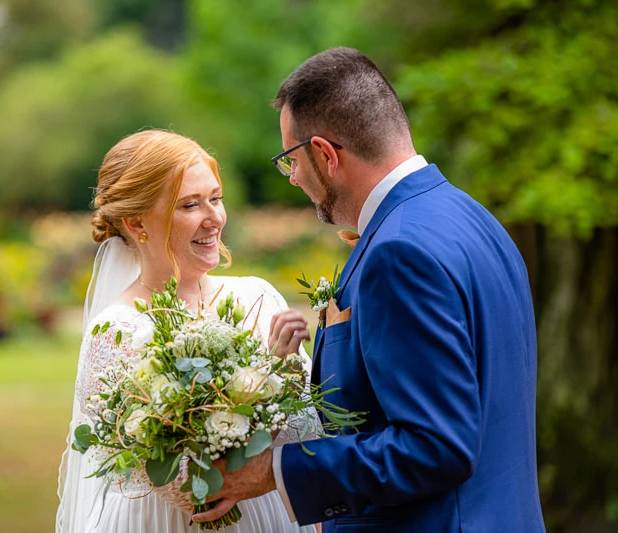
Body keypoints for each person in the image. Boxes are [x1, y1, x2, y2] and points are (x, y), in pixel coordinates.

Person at [193, 47, 546, 532]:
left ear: (325, 153)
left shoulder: (398, 252)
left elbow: (434, 446)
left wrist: (276, 471)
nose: (293, 177)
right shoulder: (474, 219)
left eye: (290, 160)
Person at [55, 129, 318, 533]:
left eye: (216, 198)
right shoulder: (117, 330)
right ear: (136, 222)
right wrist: (272, 374)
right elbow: (178, 484)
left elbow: (309, 436)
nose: (214, 218)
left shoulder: (258, 298)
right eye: (190, 205)